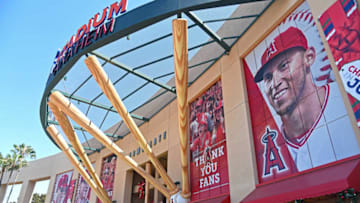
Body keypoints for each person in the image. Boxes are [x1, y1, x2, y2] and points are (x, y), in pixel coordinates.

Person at [253, 26, 356, 172]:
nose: (274, 83)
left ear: (309, 57)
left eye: (284, 66)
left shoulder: (346, 98)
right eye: (268, 78)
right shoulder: (272, 140)